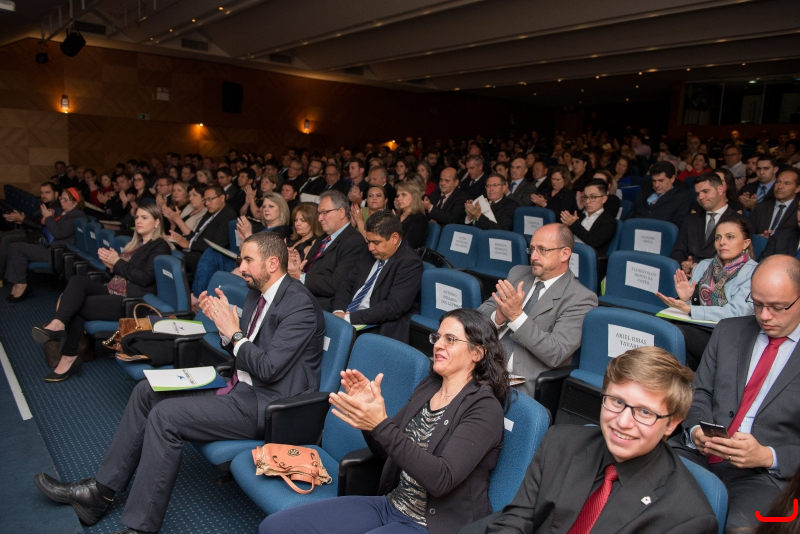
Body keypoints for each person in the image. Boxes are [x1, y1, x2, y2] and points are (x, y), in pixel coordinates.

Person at [33, 232, 325, 534]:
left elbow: (268, 368)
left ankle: (140, 528)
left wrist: (234, 333)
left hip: (268, 406)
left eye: (248, 260)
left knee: (165, 416)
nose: (241, 267)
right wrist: (225, 329)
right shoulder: (257, 293)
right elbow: (244, 352)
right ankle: (100, 492)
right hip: (239, 386)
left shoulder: (299, 306)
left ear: (273, 263)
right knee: (147, 391)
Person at [258, 308, 508, 534]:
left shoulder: (485, 408)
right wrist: (369, 418)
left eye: (450, 340)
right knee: (274, 527)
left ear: (477, 353)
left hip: (431, 524)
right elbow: (384, 452)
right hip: (391, 505)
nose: (438, 345)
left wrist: (380, 424)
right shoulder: (430, 386)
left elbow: (441, 479)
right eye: (438, 337)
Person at [463, 347, 717, 534]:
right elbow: (517, 519)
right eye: (617, 401)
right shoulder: (560, 443)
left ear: (672, 423)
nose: (623, 422)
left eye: (644, 412)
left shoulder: (688, 517)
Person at [670, 254, 800, 532]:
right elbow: (699, 392)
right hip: (700, 452)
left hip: (764, 474)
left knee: (731, 527)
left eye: (777, 307)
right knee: (645, 495)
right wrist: (696, 431)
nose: (764, 316)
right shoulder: (729, 331)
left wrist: (768, 456)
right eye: (758, 303)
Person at [31, 205, 172, 381]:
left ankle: (68, 356)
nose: (138, 221)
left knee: (77, 306)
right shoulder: (136, 243)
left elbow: (145, 278)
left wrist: (117, 262)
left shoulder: (160, 246)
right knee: (77, 281)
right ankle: (58, 324)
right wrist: (112, 266)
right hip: (115, 290)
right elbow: (124, 273)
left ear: (157, 222)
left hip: (131, 300)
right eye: (137, 217)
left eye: (144, 217)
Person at [477, 223, 598, 397]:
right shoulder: (518, 273)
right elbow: (482, 312)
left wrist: (517, 317)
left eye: (542, 250)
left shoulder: (581, 298)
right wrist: (498, 317)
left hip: (518, 381)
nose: (533, 256)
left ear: (564, 254)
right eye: (532, 249)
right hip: (481, 364)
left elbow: (556, 353)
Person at [658, 218, 757, 370]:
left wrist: (690, 309)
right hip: (695, 327)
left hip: (727, 335)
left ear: (745, 243)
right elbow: (691, 308)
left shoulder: (754, 272)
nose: (722, 242)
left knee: (673, 334)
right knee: (661, 328)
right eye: (718, 238)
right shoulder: (703, 265)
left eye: (730, 237)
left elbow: (737, 313)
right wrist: (687, 299)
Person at [331, 212, 423, 343]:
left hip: (377, 325)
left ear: (394, 238)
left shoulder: (410, 262)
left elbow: (393, 307)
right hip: (348, 316)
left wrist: (348, 319)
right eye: (368, 241)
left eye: (376, 242)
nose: (370, 247)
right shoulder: (369, 251)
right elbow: (347, 283)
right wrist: (338, 311)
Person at [287, 190, 366, 311]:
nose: (319, 218)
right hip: (302, 296)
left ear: (341, 212)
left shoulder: (354, 241)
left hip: (320, 306)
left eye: (324, 213)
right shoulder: (324, 237)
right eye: (319, 213)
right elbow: (312, 271)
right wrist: (298, 267)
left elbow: (337, 284)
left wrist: (300, 276)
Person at [6, 187, 86, 302]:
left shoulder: (76, 215)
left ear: (75, 202)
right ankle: (18, 283)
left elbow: (58, 233)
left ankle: (21, 285)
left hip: (57, 251)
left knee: (17, 248)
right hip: (50, 246)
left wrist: (48, 217)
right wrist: (49, 218)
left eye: (65, 199)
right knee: (14, 246)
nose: (61, 201)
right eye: (61, 198)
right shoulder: (67, 213)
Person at [670, 172, 748, 275]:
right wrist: (683, 264)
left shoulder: (740, 221)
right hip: (688, 277)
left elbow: (740, 260)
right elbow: (677, 252)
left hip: (721, 279)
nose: (701, 197)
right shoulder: (690, 220)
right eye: (698, 194)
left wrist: (701, 268)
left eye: (705, 191)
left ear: (720, 189)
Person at [0, 181, 60, 286]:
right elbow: (33, 219)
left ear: (56, 194)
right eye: (41, 193)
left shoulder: (56, 209)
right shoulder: (43, 204)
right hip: (31, 232)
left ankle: (1, 277)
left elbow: (42, 228)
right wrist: (22, 218)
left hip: (38, 237)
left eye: (47, 192)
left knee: (7, 239)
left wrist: (23, 220)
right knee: (2, 235)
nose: (43, 195)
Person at [168, 185, 237, 275]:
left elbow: (217, 245)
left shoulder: (228, 216)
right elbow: (198, 234)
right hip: (196, 250)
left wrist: (190, 245)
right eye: (205, 200)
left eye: (210, 199)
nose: (207, 203)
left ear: (222, 198)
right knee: (165, 251)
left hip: (205, 256)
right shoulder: (211, 211)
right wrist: (182, 239)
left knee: (171, 259)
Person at [560, 179, 617, 279]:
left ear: (604, 199)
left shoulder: (608, 221)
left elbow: (593, 242)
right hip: (570, 257)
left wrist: (574, 225)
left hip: (588, 263)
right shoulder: (579, 216)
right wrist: (566, 227)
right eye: (585, 197)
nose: (587, 201)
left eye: (593, 197)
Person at [626, 161, 694, 227]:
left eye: (661, 181)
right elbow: (628, 218)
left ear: (672, 178)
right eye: (654, 181)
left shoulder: (683, 197)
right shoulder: (643, 193)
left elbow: (679, 225)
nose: (656, 185)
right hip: (635, 230)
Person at [751, 169, 800, 258]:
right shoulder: (760, 207)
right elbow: (750, 233)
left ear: (797, 188)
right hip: (760, 254)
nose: (780, 186)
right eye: (778, 182)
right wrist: (759, 238)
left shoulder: (798, 209)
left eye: (786, 183)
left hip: (786, 256)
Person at [393, 181, 429, 249]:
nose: (399, 198)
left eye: (403, 195)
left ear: (414, 197)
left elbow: (408, 244)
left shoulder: (420, 219)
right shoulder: (397, 217)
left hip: (406, 254)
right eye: (398, 196)